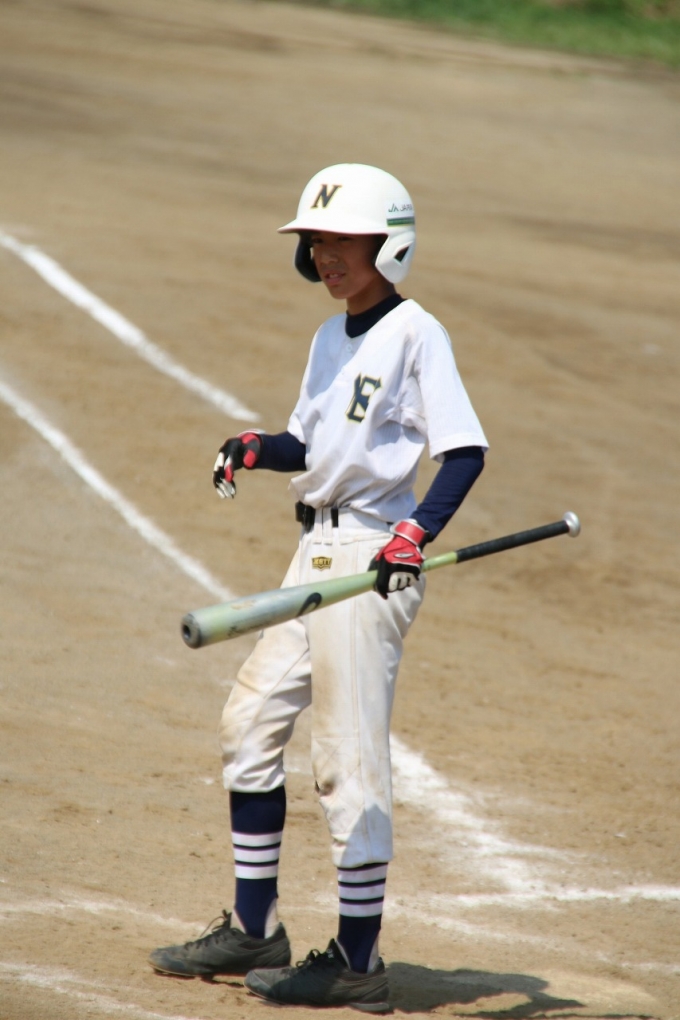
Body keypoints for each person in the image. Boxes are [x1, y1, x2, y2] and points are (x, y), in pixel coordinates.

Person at [149, 164, 488, 1012]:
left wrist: (416, 533)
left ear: (387, 245)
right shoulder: (330, 337)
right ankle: (254, 928)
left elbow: (464, 451)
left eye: (340, 240)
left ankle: (358, 961)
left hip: (372, 558)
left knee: (347, 761)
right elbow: (309, 443)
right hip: (315, 556)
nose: (325, 255)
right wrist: (256, 447)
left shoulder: (417, 334)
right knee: (250, 723)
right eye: (316, 241)